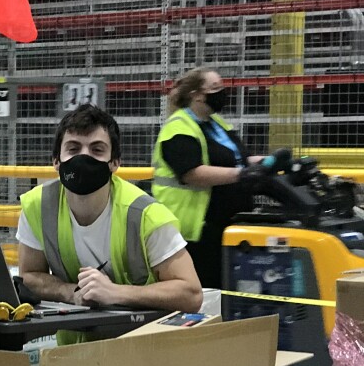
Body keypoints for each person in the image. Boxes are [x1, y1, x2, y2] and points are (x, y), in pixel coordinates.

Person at [17, 104, 202, 343]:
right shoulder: (38, 206)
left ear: (114, 163)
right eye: (73, 148)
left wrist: (115, 292)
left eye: (97, 150)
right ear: (56, 161)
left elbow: (191, 293)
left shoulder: (145, 216)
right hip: (74, 352)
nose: (83, 157)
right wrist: (71, 292)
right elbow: (29, 276)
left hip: (144, 348)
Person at [151, 67, 266, 288]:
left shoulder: (217, 124)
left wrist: (266, 163)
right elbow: (192, 173)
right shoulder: (178, 128)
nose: (221, 92)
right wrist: (242, 174)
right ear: (197, 95)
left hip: (226, 226)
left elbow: (237, 159)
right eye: (215, 88)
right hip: (195, 231)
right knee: (207, 294)